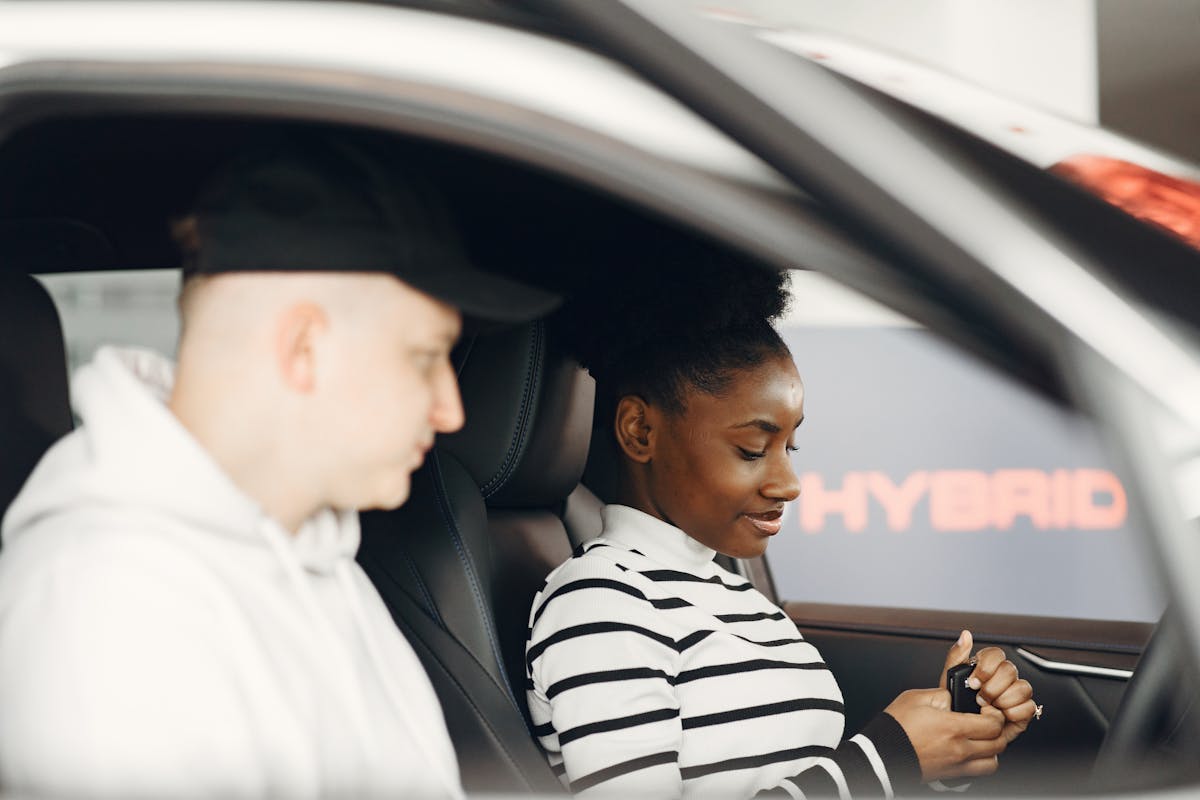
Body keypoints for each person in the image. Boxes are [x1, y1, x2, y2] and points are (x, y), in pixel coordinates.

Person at [0, 133, 558, 798]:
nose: (450, 411)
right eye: (424, 356)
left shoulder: (323, 561)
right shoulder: (111, 612)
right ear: (303, 347)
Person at [525, 261, 1036, 798]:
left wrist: (946, 748)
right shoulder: (601, 603)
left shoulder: (737, 597)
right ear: (640, 430)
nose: (789, 483)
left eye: (790, 448)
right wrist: (892, 756)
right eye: (751, 450)